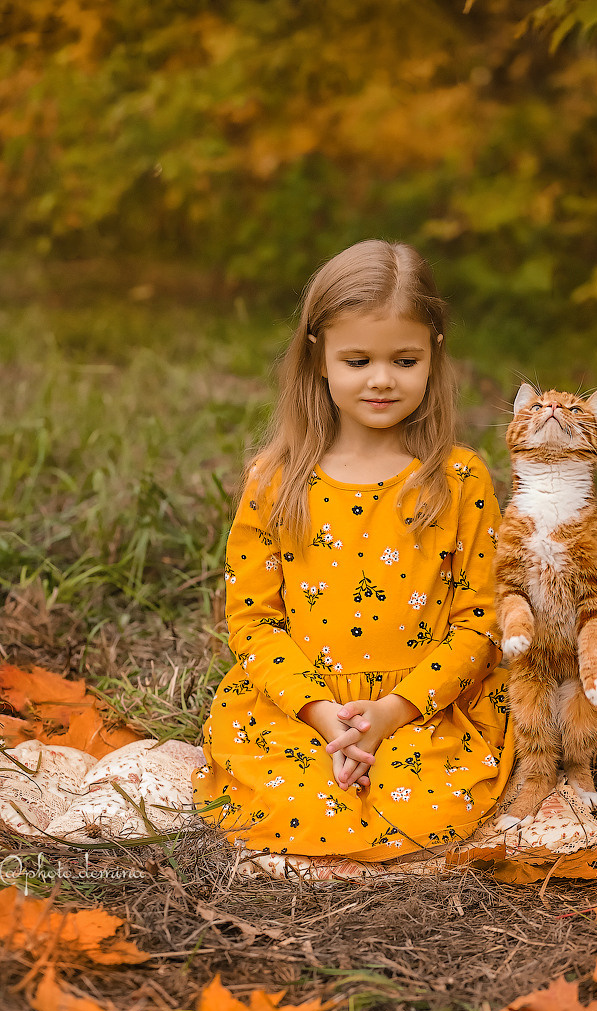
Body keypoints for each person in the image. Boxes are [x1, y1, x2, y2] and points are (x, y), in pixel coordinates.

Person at [192, 240, 514, 862]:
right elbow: (254, 621)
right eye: (358, 359)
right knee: (296, 801)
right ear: (318, 356)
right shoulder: (276, 479)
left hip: (423, 704)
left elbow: (482, 620)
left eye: (404, 359)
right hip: (302, 706)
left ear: (433, 356)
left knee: (422, 807)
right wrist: (322, 714)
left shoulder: (459, 479)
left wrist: (394, 711)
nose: (382, 379)